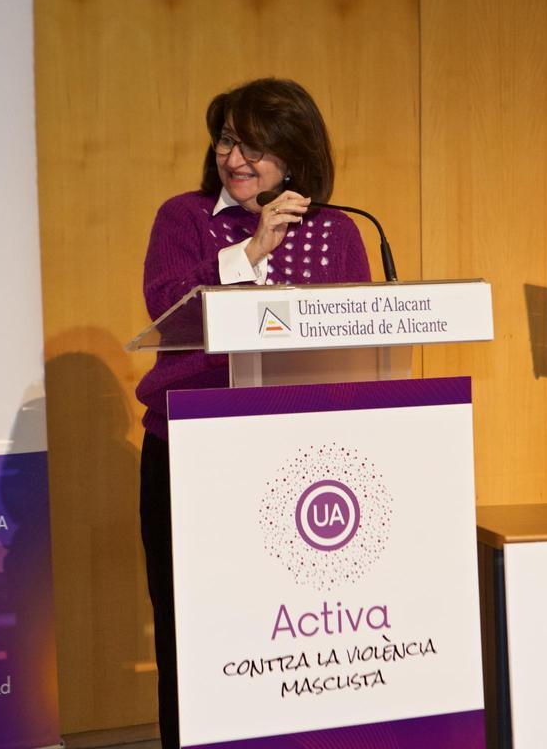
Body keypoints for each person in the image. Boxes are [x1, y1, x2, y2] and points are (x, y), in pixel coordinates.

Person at [134, 78, 370, 748]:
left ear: (293, 154)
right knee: (195, 630)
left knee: (291, 629)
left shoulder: (337, 231)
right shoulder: (184, 219)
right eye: (227, 139)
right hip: (192, 454)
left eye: (255, 145)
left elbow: (355, 339)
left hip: (300, 459)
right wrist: (249, 252)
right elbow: (170, 307)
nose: (234, 157)